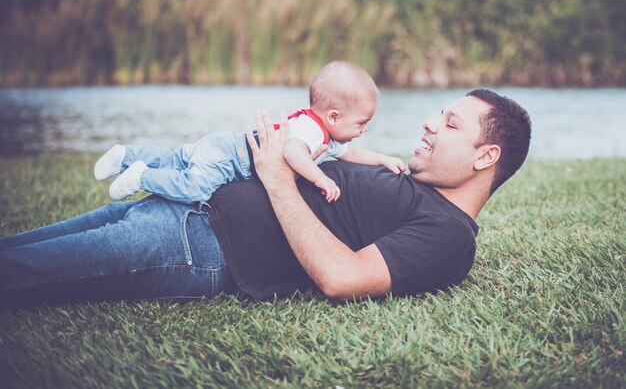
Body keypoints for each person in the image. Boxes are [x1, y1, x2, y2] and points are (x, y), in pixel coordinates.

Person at [0, 89, 531, 308]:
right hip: (188, 200)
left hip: (202, 246)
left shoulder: (450, 237)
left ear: (485, 157)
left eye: (450, 123)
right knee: (18, 248)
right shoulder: (409, 182)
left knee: (26, 269)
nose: (429, 123)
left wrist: (276, 175)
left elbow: (343, 278)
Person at [95, 61, 404, 204]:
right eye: (361, 123)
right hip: (231, 159)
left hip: (224, 144)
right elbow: (293, 153)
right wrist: (320, 178)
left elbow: (352, 154)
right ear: (333, 116)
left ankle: (127, 154)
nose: (364, 130)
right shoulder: (311, 132)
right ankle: (140, 176)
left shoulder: (327, 134)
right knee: (194, 188)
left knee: (176, 158)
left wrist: (384, 159)